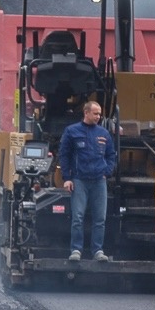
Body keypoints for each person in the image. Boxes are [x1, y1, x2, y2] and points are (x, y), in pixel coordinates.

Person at [59, 101, 116, 262]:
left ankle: (97, 250)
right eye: (95, 113)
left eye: (99, 114)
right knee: (78, 217)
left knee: (100, 218)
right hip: (80, 181)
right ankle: (76, 250)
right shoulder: (72, 132)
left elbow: (111, 155)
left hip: (99, 181)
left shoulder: (104, 134)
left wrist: (107, 171)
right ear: (86, 113)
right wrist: (67, 178)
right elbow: (64, 155)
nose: (98, 117)